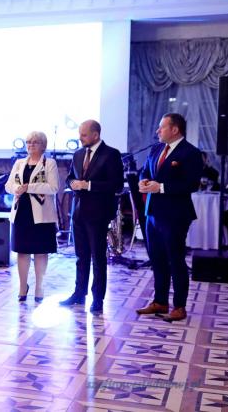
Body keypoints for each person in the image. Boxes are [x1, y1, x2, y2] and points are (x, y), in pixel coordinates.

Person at [136, 113, 203, 322]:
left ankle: (180, 306)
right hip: (152, 213)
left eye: (162, 127)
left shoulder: (190, 153)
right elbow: (144, 171)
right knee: (157, 258)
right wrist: (143, 181)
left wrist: (162, 187)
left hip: (175, 215)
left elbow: (192, 184)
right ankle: (160, 301)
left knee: (175, 260)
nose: (158, 131)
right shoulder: (156, 149)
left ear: (175, 129)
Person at [60, 120, 123, 315]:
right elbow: (70, 178)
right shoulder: (78, 154)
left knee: (98, 257)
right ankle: (79, 294)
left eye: (84, 134)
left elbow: (116, 184)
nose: (80, 138)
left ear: (95, 135)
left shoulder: (111, 154)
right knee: (81, 256)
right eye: (80, 134)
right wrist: (72, 183)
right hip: (79, 212)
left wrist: (88, 185)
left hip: (98, 213)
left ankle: (98, 299)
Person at [4, 131, 59, 303]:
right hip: (21, 212)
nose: (31, 145)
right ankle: (22, 286)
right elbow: (8, 185)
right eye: (28, 142)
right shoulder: (19, 163)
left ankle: (39, 287)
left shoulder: (49, 163)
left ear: (43, 145)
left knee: (41, 251)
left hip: (42, 215)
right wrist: (17, 189)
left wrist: (29, 187)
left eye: (35, 142)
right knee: (22, 251)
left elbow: (53, 188)